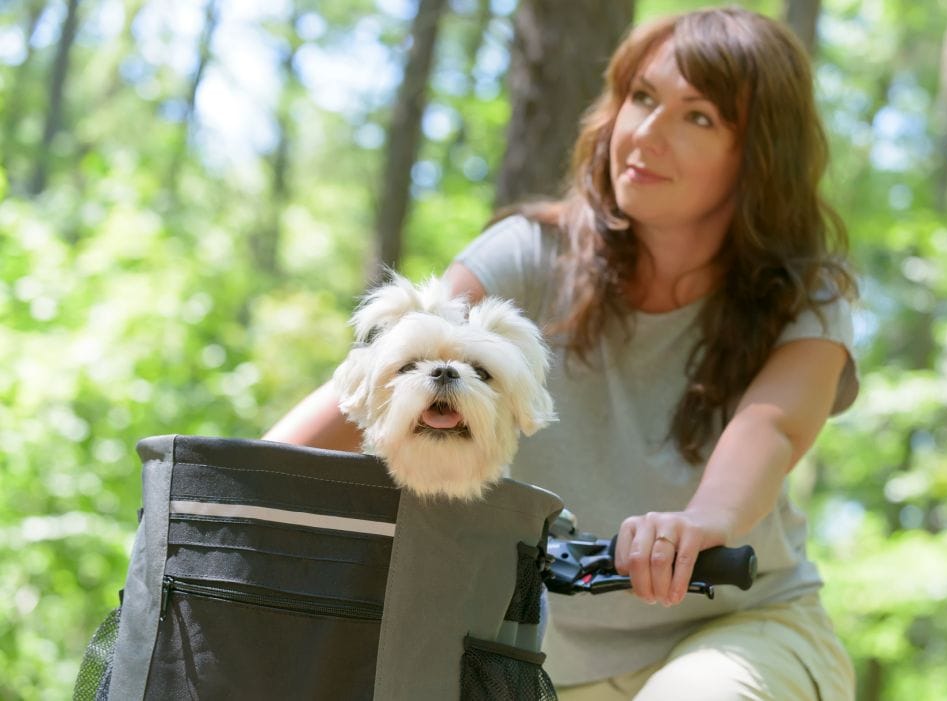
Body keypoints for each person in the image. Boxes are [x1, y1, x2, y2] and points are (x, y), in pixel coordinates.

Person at [265, 6, 859, 699]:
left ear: (757, 156)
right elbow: (387, 373)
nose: (646, 133)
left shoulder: (805, 292)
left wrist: (701, 524)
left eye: (698, 117)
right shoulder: (529, 255)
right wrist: (223, 501)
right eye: (642, 98)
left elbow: (773, 425)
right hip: (544, 663)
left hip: (743, 627)